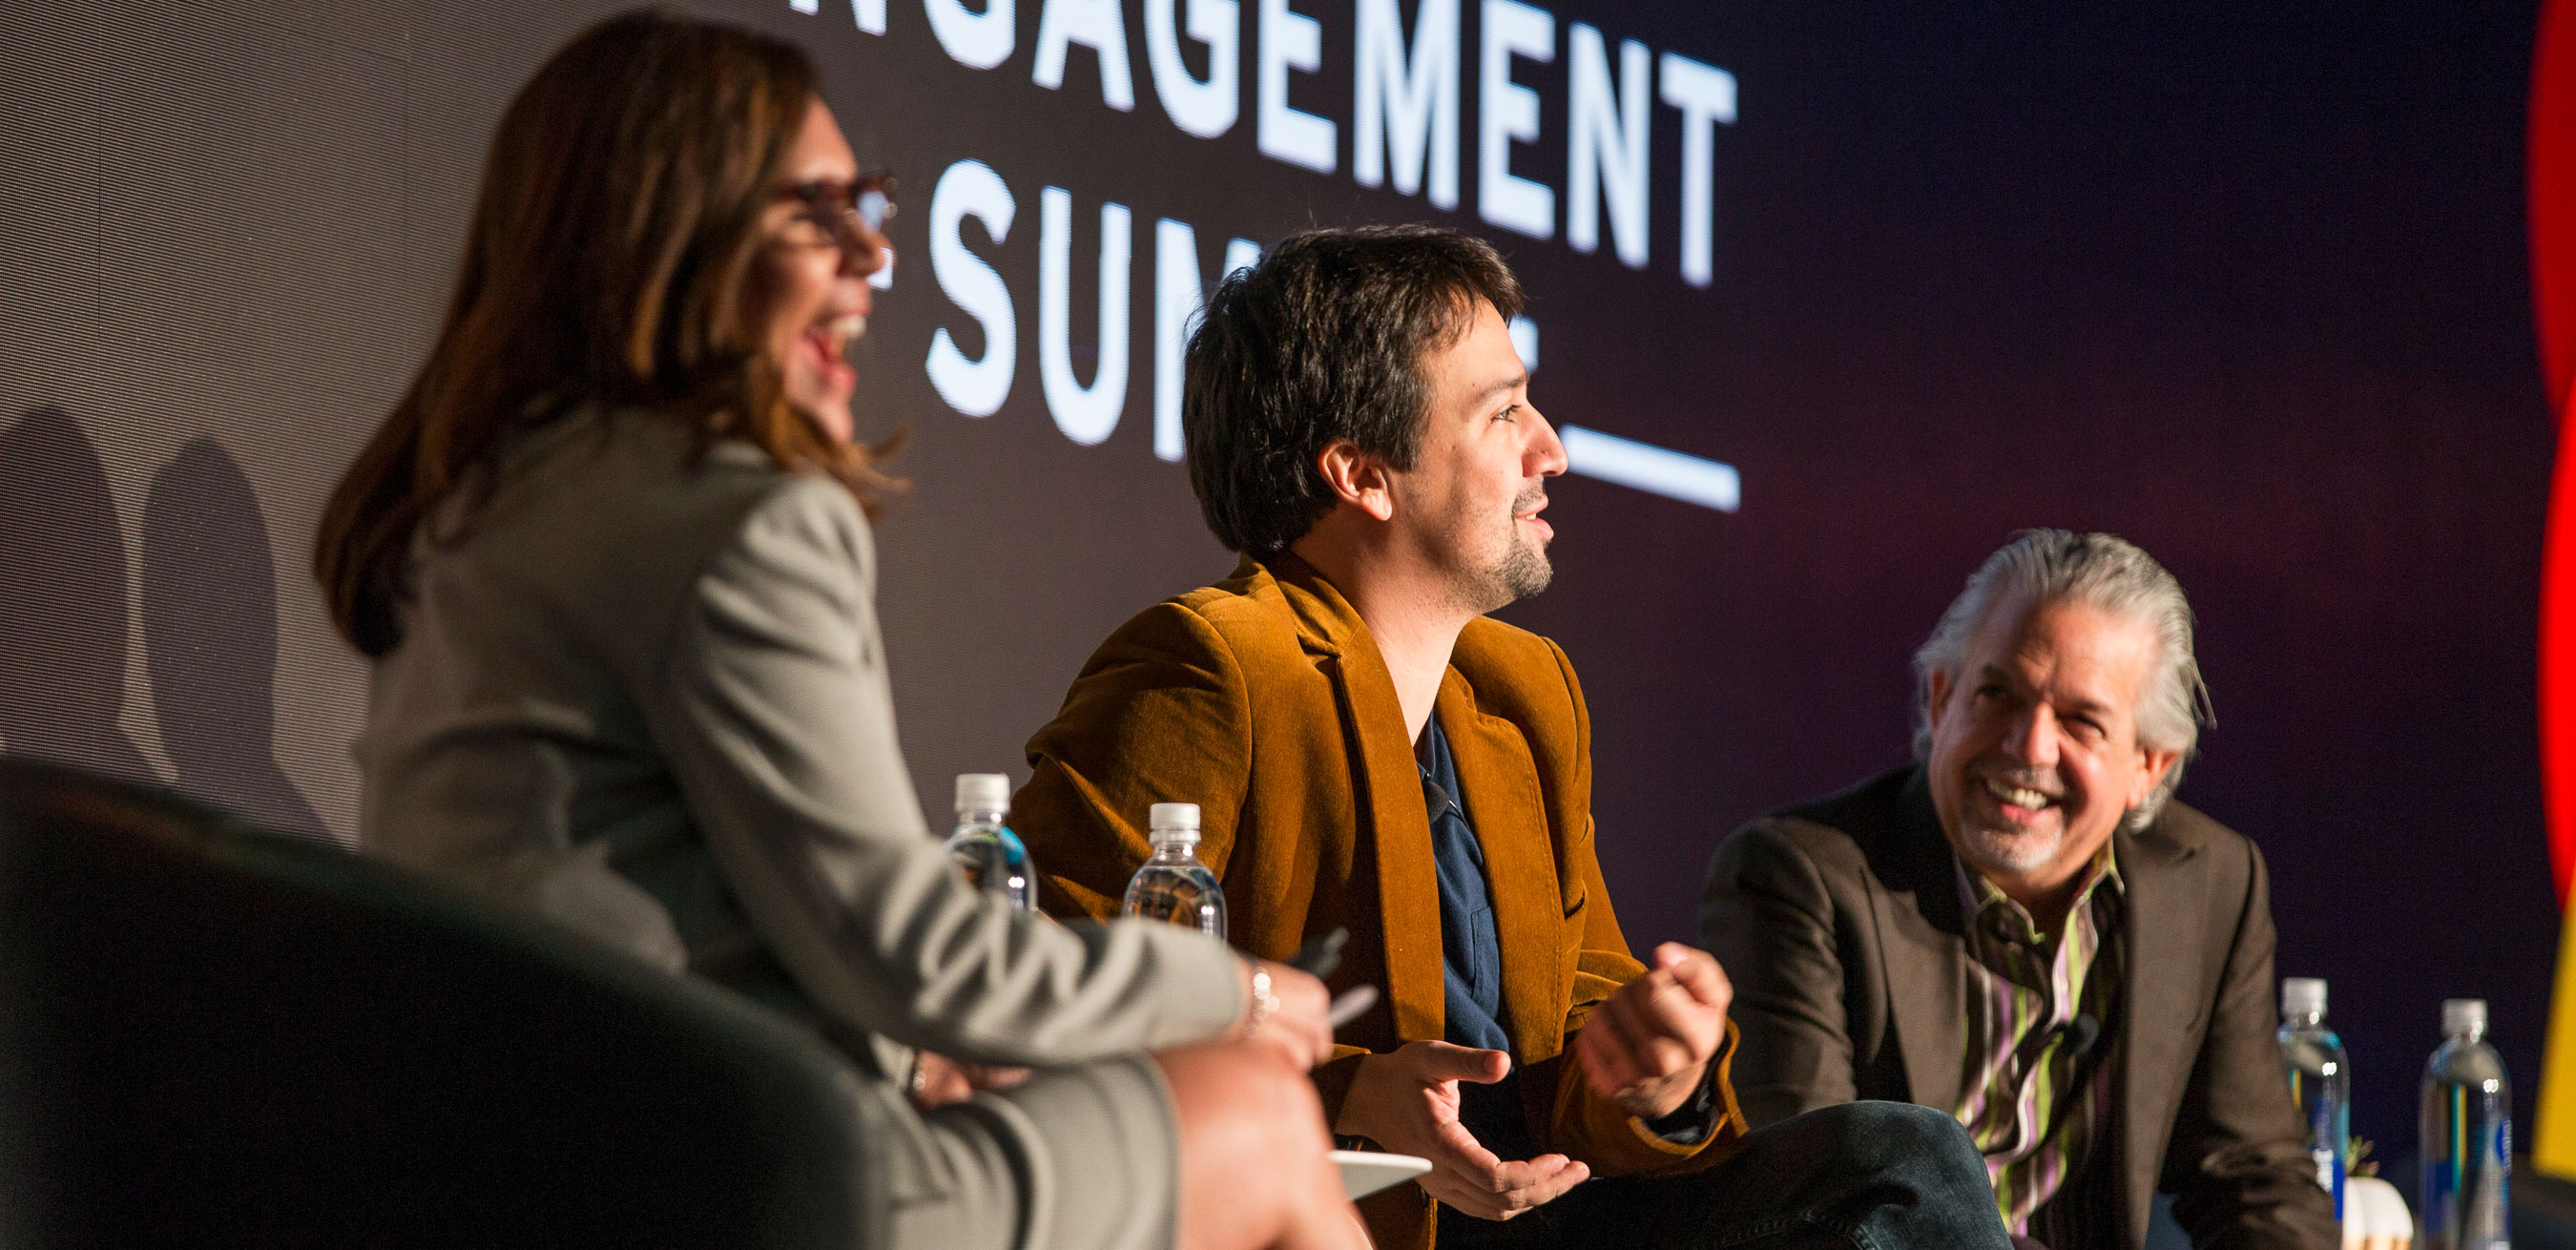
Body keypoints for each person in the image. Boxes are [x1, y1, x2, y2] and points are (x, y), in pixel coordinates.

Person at [313, 13, 1364, 1250]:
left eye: (873, 207)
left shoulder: (489, 497)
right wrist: (1231, 990)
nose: (872, 254)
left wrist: (904, 1053)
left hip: (518, 1173)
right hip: (727, 1182)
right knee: (1261, 1110)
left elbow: (673, 911)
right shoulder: (737, 515)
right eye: (819, 213)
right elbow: (921, 955)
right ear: (674, 227)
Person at [1013, 225, 2012, 1250]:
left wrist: (1654, 1070)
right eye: (1504, 413)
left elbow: (1577, 1032)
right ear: (1363, 474)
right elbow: (1030, 1003)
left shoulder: (1523, 690)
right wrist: (1349, 1092)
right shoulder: (1209, 666)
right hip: (1341, 1222)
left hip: (1538, 1215)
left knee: (1901, 1167)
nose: (1553, 449)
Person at [1698, 531, 2340, 1250]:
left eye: (2081, 721)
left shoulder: (2213, 882)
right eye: (1997, 694)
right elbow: (1817, 1210)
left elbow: (2254, 1178)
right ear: (1942, 699)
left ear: (2148, 767)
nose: (2029, 745)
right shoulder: (1797, 877)